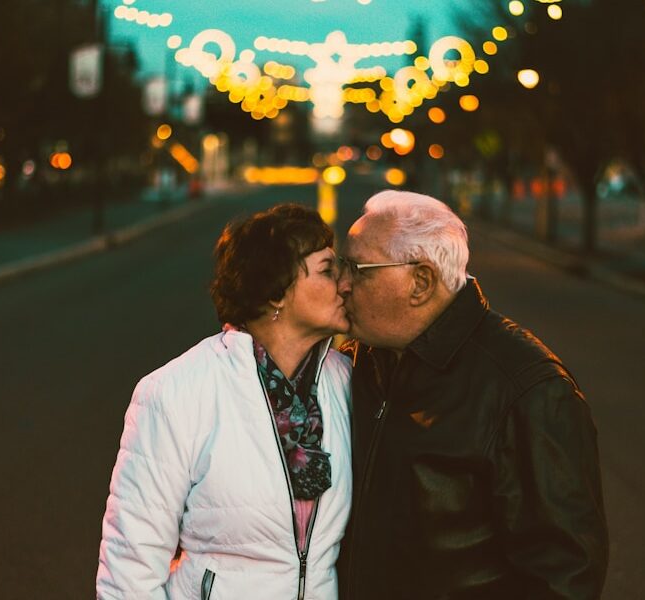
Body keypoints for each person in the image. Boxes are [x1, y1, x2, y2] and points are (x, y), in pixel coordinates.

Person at [337, 190, 608, 599]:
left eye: (358, 268)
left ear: (421, 282)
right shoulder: (357, 362)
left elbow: (564, 575)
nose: (341, 284)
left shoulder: (527, 391)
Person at [97, 204, 353, 600]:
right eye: (326, 269)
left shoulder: (347, 383)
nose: (345, 283)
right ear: (275, 294)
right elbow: (130, 565)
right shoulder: (176, 392)